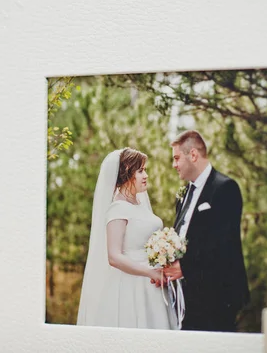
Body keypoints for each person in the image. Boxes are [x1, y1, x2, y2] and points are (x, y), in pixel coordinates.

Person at [163, 130, 250, 332]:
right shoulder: (183, 195)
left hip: (217, 294)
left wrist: (184, 267)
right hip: (187, 295)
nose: (174, 165)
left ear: (193, 155)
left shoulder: (225, 188)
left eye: (177, 158)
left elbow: (222, 244)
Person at [76, 148, 171, 329]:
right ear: (128, 170)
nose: (146, 175)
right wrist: (149, 272)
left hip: (153, 285)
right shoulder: (118, 208)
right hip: (131, 286)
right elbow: (114, 256)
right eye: (141, 170)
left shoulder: (140, 205)